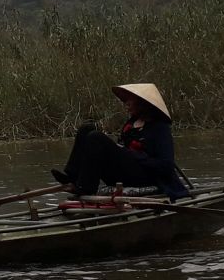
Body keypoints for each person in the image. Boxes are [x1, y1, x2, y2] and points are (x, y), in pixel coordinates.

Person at [53, 82, 187, 199]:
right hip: (126, 172)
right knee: (86, 129)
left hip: (144, 177)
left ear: (143, 103)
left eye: (130, 100)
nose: (126, 103)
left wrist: (135, 156)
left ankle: (85, 187)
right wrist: (121, 151)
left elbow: (166, 165)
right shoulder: (131, 124)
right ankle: (73, 178)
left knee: (96, 137)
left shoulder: (159, 128)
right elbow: (122, 151)